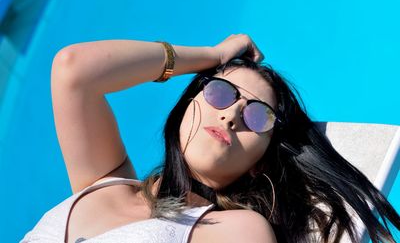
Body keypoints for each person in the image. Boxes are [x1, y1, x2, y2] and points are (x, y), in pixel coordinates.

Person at [21, 34, 400, 243]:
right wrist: (212, 54)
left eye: (257, 116)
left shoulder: (237, 230)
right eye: (220, 92)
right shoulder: (104, 181)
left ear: (260, 164)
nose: (232, 114)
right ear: (186, 107)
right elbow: (74, 70)